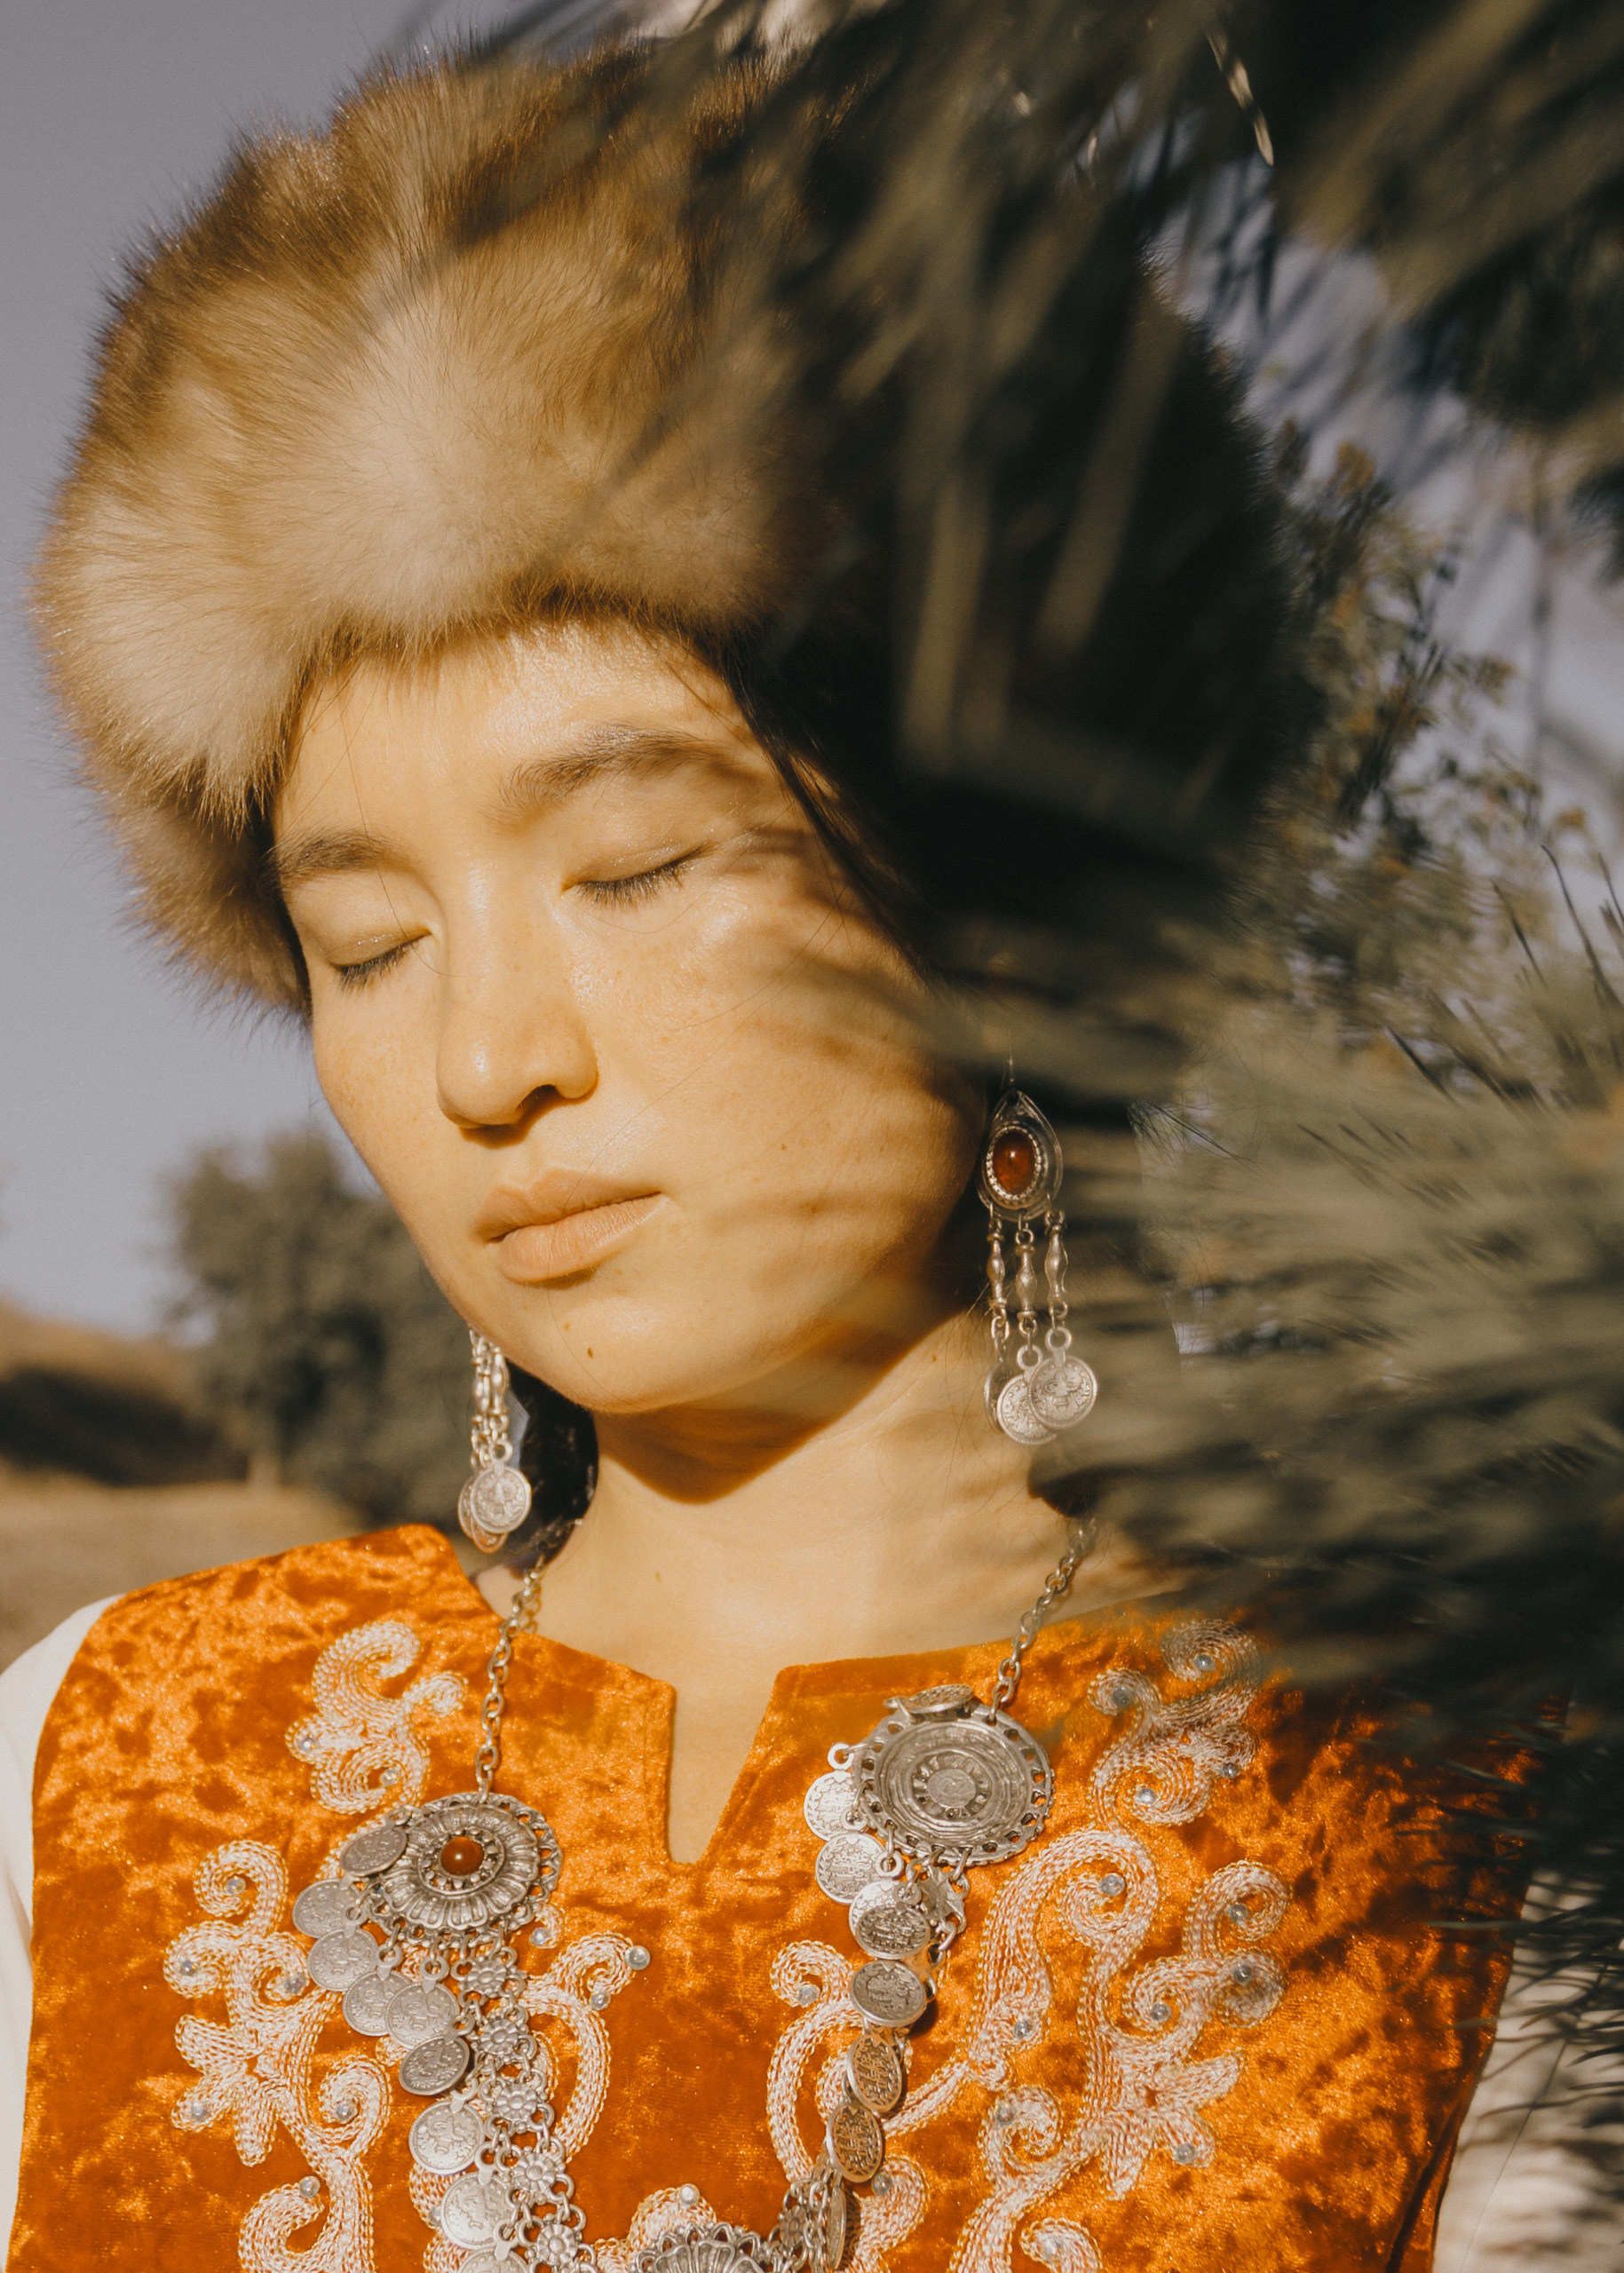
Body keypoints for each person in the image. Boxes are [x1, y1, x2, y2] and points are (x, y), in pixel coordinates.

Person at [0, 23, 1582, 2273]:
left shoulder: (1444, 1818)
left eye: (636, 866)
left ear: (1001, 900)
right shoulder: (99, 1757)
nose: (489, 1057)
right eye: (366, 942)